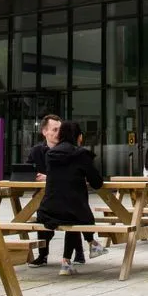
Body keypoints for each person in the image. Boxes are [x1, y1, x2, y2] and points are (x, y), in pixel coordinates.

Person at [37, 119, 106, 275]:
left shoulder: (51, 154)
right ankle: (91, 244)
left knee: (71, 211)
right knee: (76, 213)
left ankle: (68, 263)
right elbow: (97, 183)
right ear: (79, 136)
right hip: (73, 212)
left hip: (48, 211)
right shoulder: (81, 154)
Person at [27, 114, 61, 267]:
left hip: (63, 196)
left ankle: (78, 252)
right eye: (54, 129)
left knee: (45, 213)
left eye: (60, 129)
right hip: (42, 196)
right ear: (44, 132)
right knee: (41, 212)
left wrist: (50, 178)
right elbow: (27, 172)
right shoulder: (36, 151)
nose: (58, 133)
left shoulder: (67, 150)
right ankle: (43, 254)